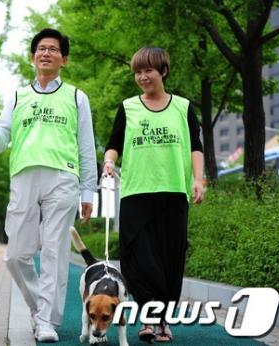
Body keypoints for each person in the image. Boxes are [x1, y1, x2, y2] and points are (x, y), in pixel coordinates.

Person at [0, 28, 97, 342]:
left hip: (63, 177)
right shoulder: (18, 96)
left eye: (53, 49)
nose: (46, 53)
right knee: (16, 254)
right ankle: (39, 308)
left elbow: (86, 146)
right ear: (33, 57)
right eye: (40, 49)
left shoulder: (76, 96)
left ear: (64, 59)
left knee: (54, 253)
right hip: (23, 176)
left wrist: (89, 191)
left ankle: (46, 321)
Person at [103, 47, 204, 343]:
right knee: (137, 258)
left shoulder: (183, 107)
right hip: (136, 192)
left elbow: (195, 146)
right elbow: (114, 144)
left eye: (148, 70)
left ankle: (161, 322)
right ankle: (148, 317)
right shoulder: (128, 107)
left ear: (163, 71)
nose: (142, 76)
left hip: (173, 191)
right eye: (138, 72)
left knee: (169, 258)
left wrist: (198, 180)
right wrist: (109, 161)